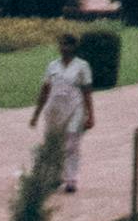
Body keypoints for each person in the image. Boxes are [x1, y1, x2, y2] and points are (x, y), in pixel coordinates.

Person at [32, 38, 95, 206]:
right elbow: (45, 90)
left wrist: (91, 115)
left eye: (68, 44)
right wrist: (36, 114)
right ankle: (55, 177)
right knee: (54, 143)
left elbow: (87, 91)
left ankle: (71, 180)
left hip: (75, 109)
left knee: (72, 143)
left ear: (74, 47)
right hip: (55, 110)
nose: (64, 47)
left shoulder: (82, 66)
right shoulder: (52, 66)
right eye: (61, 44)